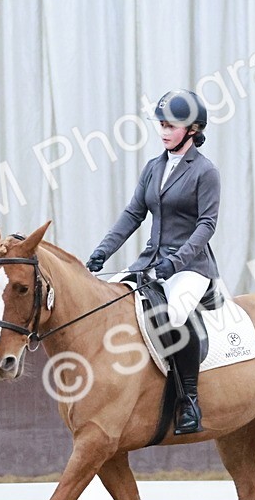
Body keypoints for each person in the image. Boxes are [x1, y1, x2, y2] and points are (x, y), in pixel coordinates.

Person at [85, 89, 219, 435]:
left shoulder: (205, 171)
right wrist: (103, 251)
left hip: (190, 267)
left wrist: (176, 262)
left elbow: (207, 225)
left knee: (174, 315)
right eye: (161, 124)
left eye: (171, 126)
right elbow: (134, 214)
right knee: (114, 302)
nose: (163, 131)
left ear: (192, 129)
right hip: (151, 262)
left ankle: (189, 400)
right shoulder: (153, 167)